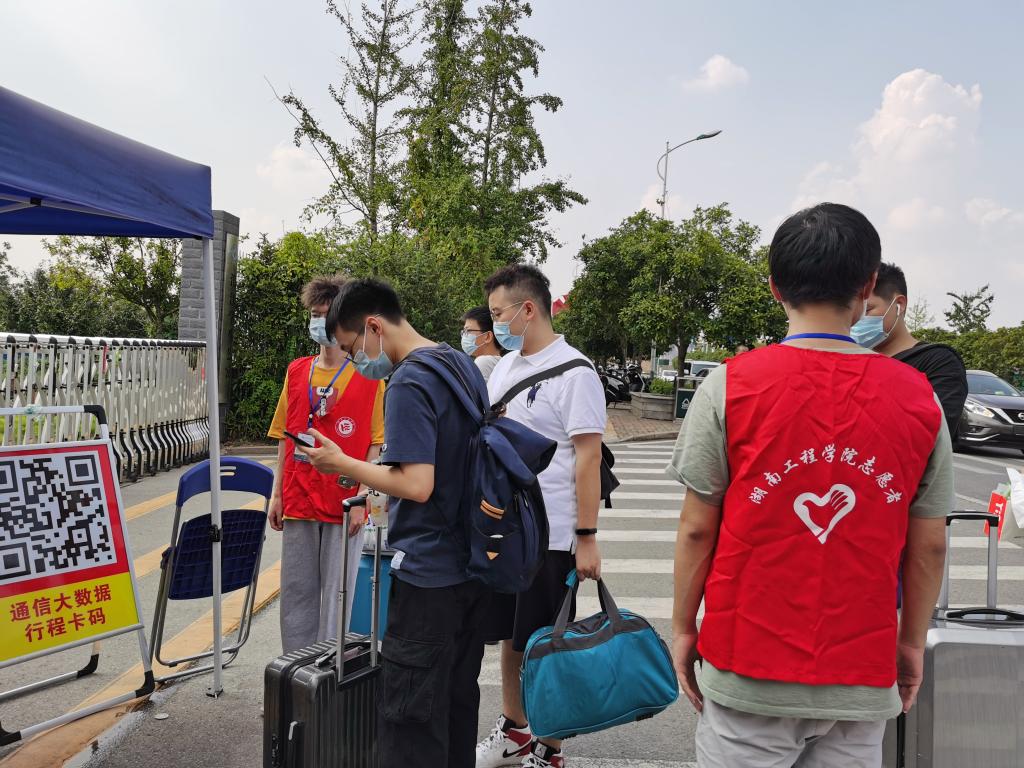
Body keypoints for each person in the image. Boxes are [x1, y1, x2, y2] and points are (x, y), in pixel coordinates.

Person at [666, 203, 953, 767]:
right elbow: (930, 546)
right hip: (860, 670)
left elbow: (698, 529)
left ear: (775, 287)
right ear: (868, 286)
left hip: (748, 664)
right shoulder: (920, 398)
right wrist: (910, 643)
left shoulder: (729, 386)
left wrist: (682, 627)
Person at [299, 278, 488, 768]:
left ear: (373, 327)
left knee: (411, 719)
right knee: (455, 704)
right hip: (470, 567)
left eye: (351, 348)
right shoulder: (457, 362)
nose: (355, 360)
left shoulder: (408, 381)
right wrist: (373, 483)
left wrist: (342, 464)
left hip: (428, 574)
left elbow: (418, 483)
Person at [476, 265, 606, 768]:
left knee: (547, 646)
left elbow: (588, 458)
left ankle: (550, 749)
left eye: (498, 313)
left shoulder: (576, 372)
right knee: (513, 639)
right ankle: (515, 730)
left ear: (527, 309)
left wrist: (586, 536)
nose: (495, 323)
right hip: (507, 530)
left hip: (551, 537)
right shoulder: (506, 366)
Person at [267, 276, 384, 653]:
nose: (319, 322)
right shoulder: (296, 371)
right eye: (314, 315)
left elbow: (375, 444)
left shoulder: (369, 376)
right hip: (299, 497)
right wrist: (276, 495)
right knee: (296, 593)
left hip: (343, 501)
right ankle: (295, 668)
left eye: (326, 315)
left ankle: (329, 669)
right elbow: (285, 437)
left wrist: (363, 499)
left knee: (338, 593)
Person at [853, 262, 968, 440]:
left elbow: (934, 432)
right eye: (852, 312)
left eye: (867, 310)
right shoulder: (850, 358)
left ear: (899, 305)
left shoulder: (938, 362)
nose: (856, 320)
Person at [462, 305, 503, 382]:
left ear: (487, 336)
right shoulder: (502, 362)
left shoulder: (483, 362)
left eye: (468, 331)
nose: (464, 336)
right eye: (463, 331)